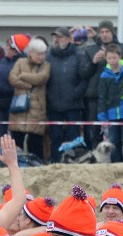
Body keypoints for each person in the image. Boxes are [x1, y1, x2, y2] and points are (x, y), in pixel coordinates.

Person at [79, 20, 123, 146]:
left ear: (112, 32)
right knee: (94, 131)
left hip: (117, 97)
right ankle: (95, 158)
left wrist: (113, 59)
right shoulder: (90, 50)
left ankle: (118, 161)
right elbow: (83, 73)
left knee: (119, 134)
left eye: (107, 31)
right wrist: (93, 62)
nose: (104, 34)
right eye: (101, 32)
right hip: (95, 97)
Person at [46, 27, 86, 161]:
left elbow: (84, 78)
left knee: (73, 136)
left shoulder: (79, 55)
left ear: (69, 39)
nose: (57, 40)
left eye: (60, 37)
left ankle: (74, 161)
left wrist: (76, 94)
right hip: (53, 104)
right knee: (55, 136)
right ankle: (55, 162)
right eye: (55, 37)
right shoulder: (49, 55)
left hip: (72, 104)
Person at [8, 38, 50, 160]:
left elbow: (41, 78)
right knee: (17, 142)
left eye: (43, 54)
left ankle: (36, 165)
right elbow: (12, 79)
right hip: (19, 107)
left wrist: (23, 76)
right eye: (39, 54)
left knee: (36, 143)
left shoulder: (46, 66)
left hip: (37, 109)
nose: (41, 57)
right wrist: (29, 86)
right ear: (30, 52)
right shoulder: (20, 62)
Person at [97, 44, 123, 162]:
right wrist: (102, 116)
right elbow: (102, 97)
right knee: (113, 142)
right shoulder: (104, 75)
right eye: (109, 58)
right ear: (106, 59)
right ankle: (116, 165)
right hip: (111, 113)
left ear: (120, 56)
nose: (112, 61)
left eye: (114, 58)